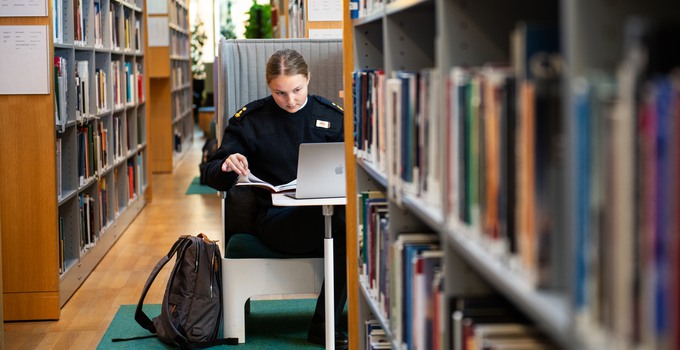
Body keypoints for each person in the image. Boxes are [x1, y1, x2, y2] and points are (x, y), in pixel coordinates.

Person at [202, 48, 348, 348]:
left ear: (308, 79)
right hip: (275, 222)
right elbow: (211, 173)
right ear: (269, 86)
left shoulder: (331, 116)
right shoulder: (251, 119)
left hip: (329, 215)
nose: (290, 100)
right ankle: (325, 329)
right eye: (280, 93)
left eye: (297, 90)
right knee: (342, 225)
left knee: (344, 221)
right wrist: (229, 165)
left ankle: (325, 326)